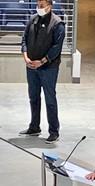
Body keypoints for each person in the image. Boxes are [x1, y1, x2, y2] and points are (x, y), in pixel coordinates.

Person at [19, 0, 65, 144]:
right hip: (31, 67)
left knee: (50, 99)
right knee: (33, 97)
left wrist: (42, 61)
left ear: (49, 6)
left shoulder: (58, 24)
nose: (38, 8)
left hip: (48, 68)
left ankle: (54, 131)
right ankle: (34, 126)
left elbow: (56, 48)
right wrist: (26, 57)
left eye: (42, 6)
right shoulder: (32, 19)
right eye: (38, 5)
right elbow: (24, 39)